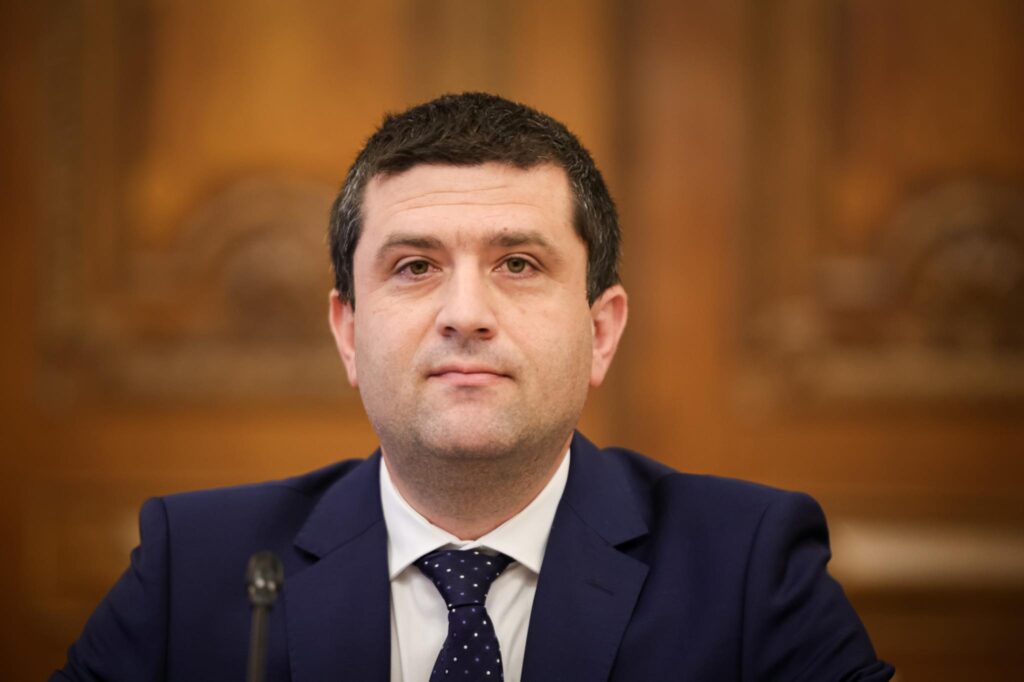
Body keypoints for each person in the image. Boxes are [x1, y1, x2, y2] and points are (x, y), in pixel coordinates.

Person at [54, 92, 894, 681]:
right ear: (347, 332)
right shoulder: (199, 567)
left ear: (601, 332)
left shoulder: (747, 569)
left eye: (518, 264)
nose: (465, 314)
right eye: (415, 267)